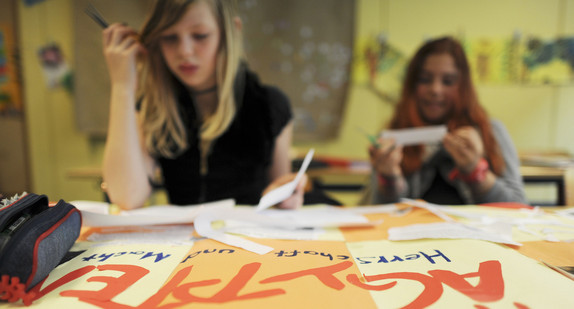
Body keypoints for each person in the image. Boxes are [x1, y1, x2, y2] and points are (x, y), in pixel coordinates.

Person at [102, 0, 306, 210]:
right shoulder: (153, 107)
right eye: (170, 37)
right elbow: (126, 197)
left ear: (230, 32)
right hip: (182, 240)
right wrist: (122, 86)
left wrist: (284, 196)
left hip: (246, 238)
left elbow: (281, 193)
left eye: (200, 36)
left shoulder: (269, 105)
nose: (185, 51)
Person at [367, 37, 527, 205]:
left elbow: (519, 206)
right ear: (412, 84)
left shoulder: (490, 131)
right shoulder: (393, 138)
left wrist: (475, 170)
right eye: (425, 79)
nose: (435, 90)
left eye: (448, 81)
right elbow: (377, 213)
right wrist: (389, 178)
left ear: (463, 86)